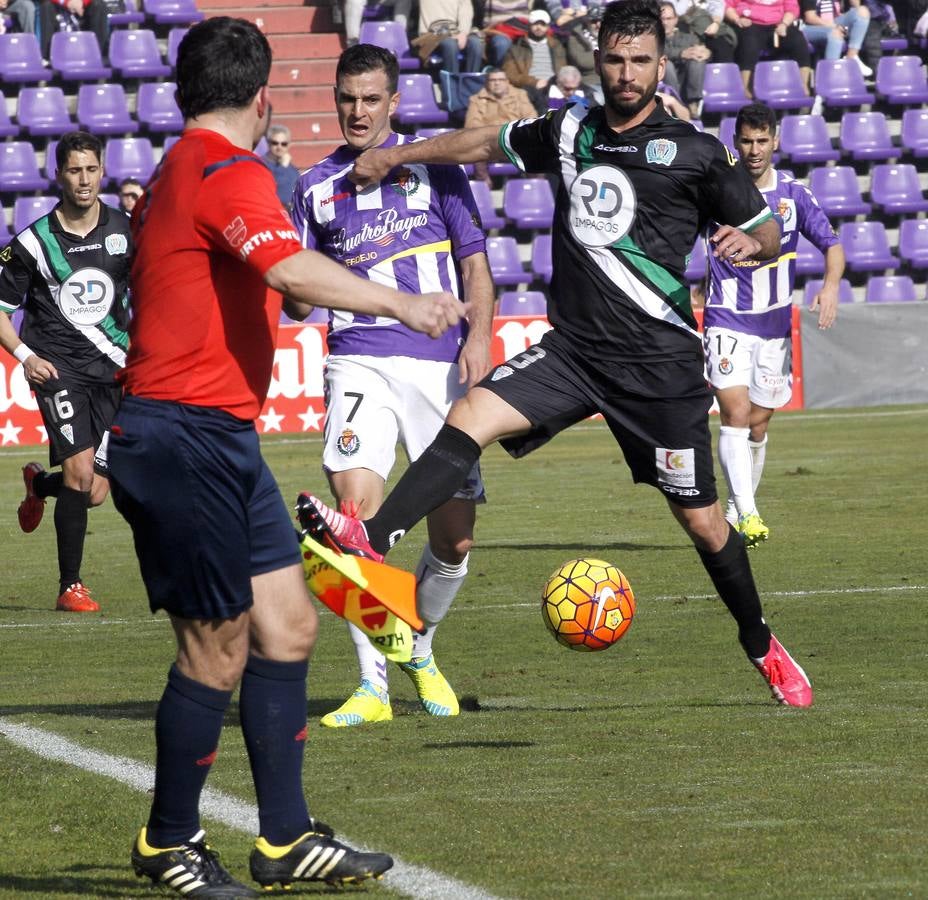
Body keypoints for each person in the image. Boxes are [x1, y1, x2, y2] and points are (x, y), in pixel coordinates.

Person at [298, 0, 815, 710]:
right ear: (596, 60)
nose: (626, 73)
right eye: (614, 59)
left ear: (661, 66)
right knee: (472, 412)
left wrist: (749, 242)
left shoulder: (697, 150)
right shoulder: (569, 128)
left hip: (658, 372)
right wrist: (395, 154)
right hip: (573, 353)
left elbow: (770, 231)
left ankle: (759, 641)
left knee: (702, 520)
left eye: (640, 61)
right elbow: (479, 146)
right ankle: (370, 538)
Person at [105, 17, 465, 897]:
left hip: (218, 436)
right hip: (181, 433)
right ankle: (170, 842)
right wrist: (403, 303)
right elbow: (289, 272)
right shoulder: (227, 171)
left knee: (290, 625)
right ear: (265, 97)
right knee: (216, 647)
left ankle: (284, 839)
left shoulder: (176, 171)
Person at [289, 44, 494, 728]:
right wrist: (288, 293)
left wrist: (479, 337)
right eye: (348, 98)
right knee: (355, 518)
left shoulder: (436, 168)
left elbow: (476, 265)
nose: (357, 110)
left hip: (437, 365)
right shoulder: (314, 188)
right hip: (357, 359)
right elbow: (296, 290)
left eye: (371, 99)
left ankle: (421, 646)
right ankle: (372, 688)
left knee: (455, 541)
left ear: (394, 102)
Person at [0, 131, 131, 614]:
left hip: (114, 370)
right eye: (74, 170)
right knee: (79, 473)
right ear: (58, 174)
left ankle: (39, 485)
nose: (83, 180)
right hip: (58, 370)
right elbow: (0, 307)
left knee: (94, 492)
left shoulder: (125, 232)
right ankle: (70, 585)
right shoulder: (33, 243)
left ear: (102, 171)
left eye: (91, 170)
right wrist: (24, 356)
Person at [701, 102, 842, 545]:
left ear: (775, 141)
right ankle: (750, 512)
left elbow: (832, 246)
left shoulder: (794, 195)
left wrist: (831, 285)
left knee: (758, 424)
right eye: (746, 140)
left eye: (762, 140)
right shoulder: (717, 191)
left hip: (775, 326)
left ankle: (734, 508)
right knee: (735, 414)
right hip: (726, 316)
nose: (754, 149)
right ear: (735, 142)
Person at [464, 67, 536, 183]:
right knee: (476, 148)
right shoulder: (476, 100)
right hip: (490, 144)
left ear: (507, 82)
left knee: (539, 149)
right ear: (487, 83)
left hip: (516, 140)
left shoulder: (520, 95)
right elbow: (471, 126)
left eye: (500, 80)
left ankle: (536, 188)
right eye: (492, 80)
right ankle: (484, 188)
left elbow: (531, 119)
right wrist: (494, 135)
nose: (497, 83)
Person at [725, 0, 812, 95]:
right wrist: (737, 19)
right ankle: (744, 88)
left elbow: (791, 8)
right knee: (749, 43)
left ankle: (803, 86)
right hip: (749, 22)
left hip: (778, 23)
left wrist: (784, 24)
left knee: (798, 40)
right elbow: (728, 5)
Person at [502, 8, 569, 113]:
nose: (539, 28)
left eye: (543, 24)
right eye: (535, 24)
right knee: (542, 107)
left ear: (547, 27)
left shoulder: (556, 45)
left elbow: (564, 69)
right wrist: (534, 82)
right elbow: (510, 74)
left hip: (554, 84)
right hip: (530, 86)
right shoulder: (516, 47)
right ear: (529, 25)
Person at [660, 2, 712, 119]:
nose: (665, 22)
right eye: (662, 19)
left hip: (686, 80)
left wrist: (706, 53)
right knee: (666, 64)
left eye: (669, 18)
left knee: (697, 60)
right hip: (664, 80)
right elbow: (655, 53)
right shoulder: (652, 39)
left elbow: (701, 52)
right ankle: (677, 102)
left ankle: (693, 103)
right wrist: (681, 53)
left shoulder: (689, 38)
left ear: (675, 19)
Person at [799, 0, 872, 75]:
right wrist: (835, 26)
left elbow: (855, 5)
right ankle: (831, 76)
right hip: (810, 27)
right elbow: (810, 18)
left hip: (833, 22)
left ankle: (851, 58)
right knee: (835, 33)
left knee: (863, 11)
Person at [38, 0, 109, 60]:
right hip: (58, 3)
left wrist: (82, 2)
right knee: (46, 6)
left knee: (99, 5)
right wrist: (66, 2)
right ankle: (47, 58)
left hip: (83, 5)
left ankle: (97, 57)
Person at [263, 124, 300, 209]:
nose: (279, 147)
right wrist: (283, 167)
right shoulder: (261, 165)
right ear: (268, 143)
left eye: (284, 144)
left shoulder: (292, 169)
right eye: (275, 143)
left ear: (289, 145)